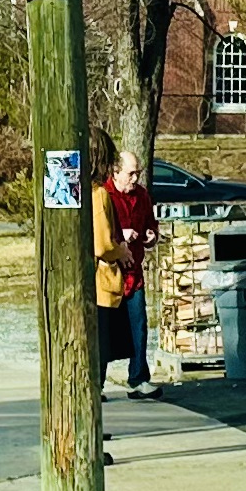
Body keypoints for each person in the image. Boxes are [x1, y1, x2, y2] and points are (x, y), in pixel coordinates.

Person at [93, 146, 159, 397]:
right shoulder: (104, 194)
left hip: (133, 274)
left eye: (138, 173)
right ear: (116, 172)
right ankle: (96, 384)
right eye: (131, 174)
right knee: (104, 329)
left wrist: (151, 236)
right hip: (108, 274)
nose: (135, 179)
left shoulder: (142, 196)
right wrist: (122, 235)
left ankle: (139, 378)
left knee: (139, 325)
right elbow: (102, 234)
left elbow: (151, 225)